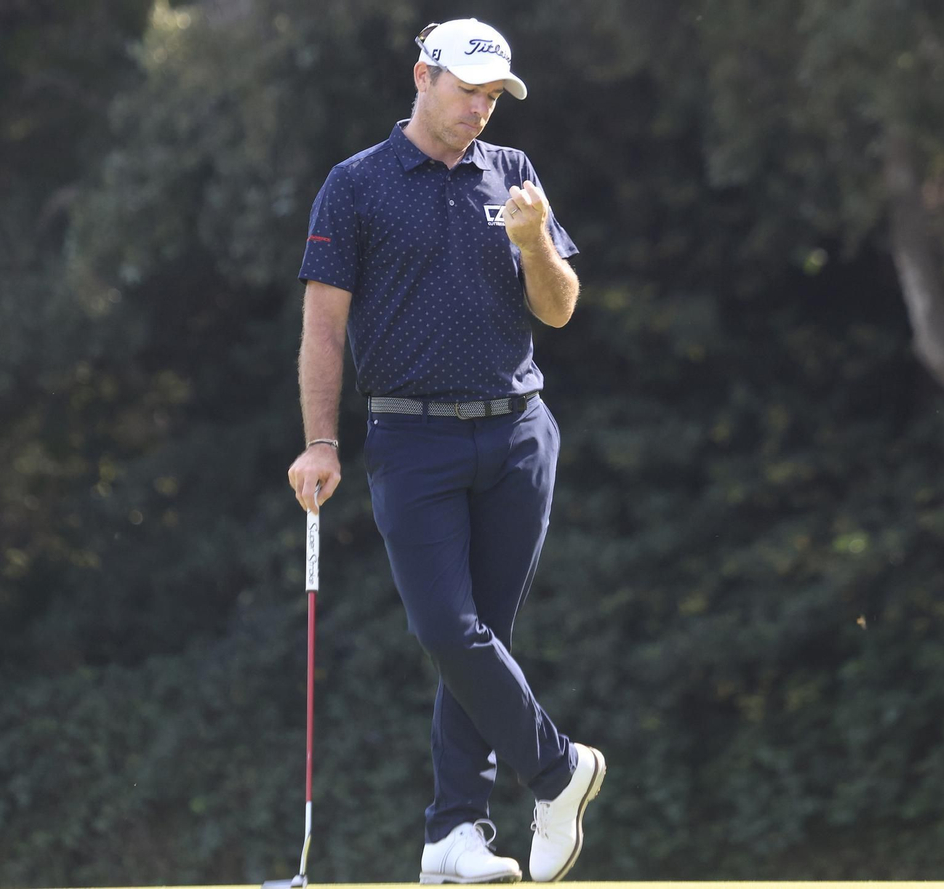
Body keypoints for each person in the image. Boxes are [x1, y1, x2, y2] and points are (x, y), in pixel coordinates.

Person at [285, 17, 604, 885]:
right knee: (447, 629)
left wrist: (534, 240)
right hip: (412, 435)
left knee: (483, 637)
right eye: (468, 90)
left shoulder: (515, 175)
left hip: (519, 431)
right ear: (422, 75)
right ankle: (558, 771)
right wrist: (321, 440)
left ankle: (453, 833)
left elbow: (560, 308)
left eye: (494, 95)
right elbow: (323, 324)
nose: (481, 110)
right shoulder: (356, 186)